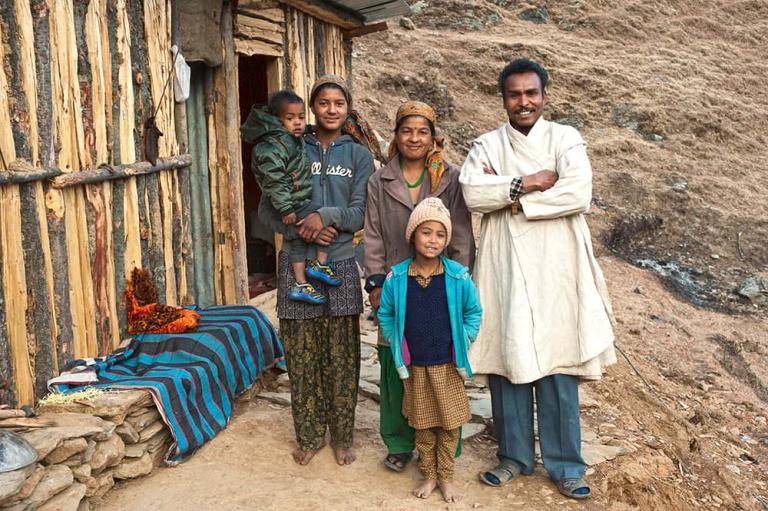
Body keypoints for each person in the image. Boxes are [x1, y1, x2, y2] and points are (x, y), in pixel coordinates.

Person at [459, 58, 616, 499]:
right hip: (505, 265)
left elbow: (578, 190)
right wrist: (530, 182)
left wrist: (511, 199)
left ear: (544, 96)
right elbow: (472, 190)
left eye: (531, 93)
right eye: (514, 94)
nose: (523, 102)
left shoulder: (565, 138)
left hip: (557, 268)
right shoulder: (486, 144)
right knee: (509, 358)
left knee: (557, 362)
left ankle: (567, 465)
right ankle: (513, 457)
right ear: (504, 99)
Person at [260, 75, 375, 466]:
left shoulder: (358, 156)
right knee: (303, 355)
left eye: (338, 103)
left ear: (347, 108)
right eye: (323, 103)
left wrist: (326, 216)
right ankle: (309, 435)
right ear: (313, 106)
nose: (330, 110)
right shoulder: (291, 145)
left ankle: (343, 437)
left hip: (340, 261)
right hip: (297, 266)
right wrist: (303, 224)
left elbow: (360, 212)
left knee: (342, 356)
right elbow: (267, 207)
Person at [364, 100, 475, 473]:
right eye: (406, 130)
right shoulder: (379, 180)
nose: (414, 138)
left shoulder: (449, 178)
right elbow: (374, 233)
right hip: (397, 285)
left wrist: (459, 281)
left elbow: (460, 233)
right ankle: (399, 442)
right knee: (395, 364)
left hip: (441, 283)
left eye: (422, 131)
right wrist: (376, 281)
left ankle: (446, 448)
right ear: (396, 136)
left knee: (444, 366)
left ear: (433, 137)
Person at [377, 198, 482, 503]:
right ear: (413, 235)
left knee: (449, 426)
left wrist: (464, 336)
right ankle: (430, 476)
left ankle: (447, 478)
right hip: (416, 368)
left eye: (440, 234)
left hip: (447, 366)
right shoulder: (397, 278)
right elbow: (385, 313)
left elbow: (473, 312)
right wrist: (395, 337)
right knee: (423, 427)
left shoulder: (456, 276)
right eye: (426, 232)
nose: (433, 240)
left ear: (446, 239)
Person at [241, 91, 341, 305]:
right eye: (290, 118)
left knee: (297, 241)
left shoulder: (291, 139)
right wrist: (286, 208)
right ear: (276, 121)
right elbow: (273, 180)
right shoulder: (272, 147)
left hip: (297, 199)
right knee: (327, 220)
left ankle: (300, 283)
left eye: (301, 117)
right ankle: (318, 265)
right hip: (292, 203)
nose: (298, 123)